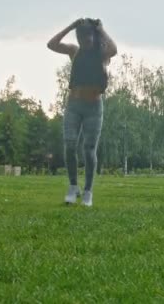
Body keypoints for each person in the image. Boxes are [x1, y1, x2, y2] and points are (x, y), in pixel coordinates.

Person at [47, 18, 117, 206]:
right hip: (74, 105)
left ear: (93, 37)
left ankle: (87, 191)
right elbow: (51, 44)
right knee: (69, 145)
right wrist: (70, 26)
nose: (85, 41)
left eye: (88, 37)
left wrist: (101, 29)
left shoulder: (102, 53)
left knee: (89, 149)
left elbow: (114, 49)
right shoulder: (74, 51)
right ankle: (72, 187)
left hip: (94, 107)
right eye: (81, 38)